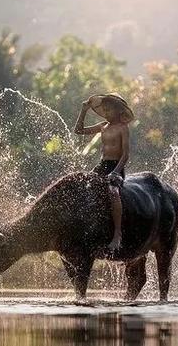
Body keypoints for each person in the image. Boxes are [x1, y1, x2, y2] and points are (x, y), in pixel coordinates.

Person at [74, 93, 133, 250]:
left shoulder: (123, 128)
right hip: (102, 165)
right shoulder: (103, 126)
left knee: (113, 192)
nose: (107, 113)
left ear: (118, 111)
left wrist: (116, 172)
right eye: (104, 110)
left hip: (116, 167)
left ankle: (117, 234)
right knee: (82, 187)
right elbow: (78, 130)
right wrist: (84, 110)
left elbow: (125, 155)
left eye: (109, 110)